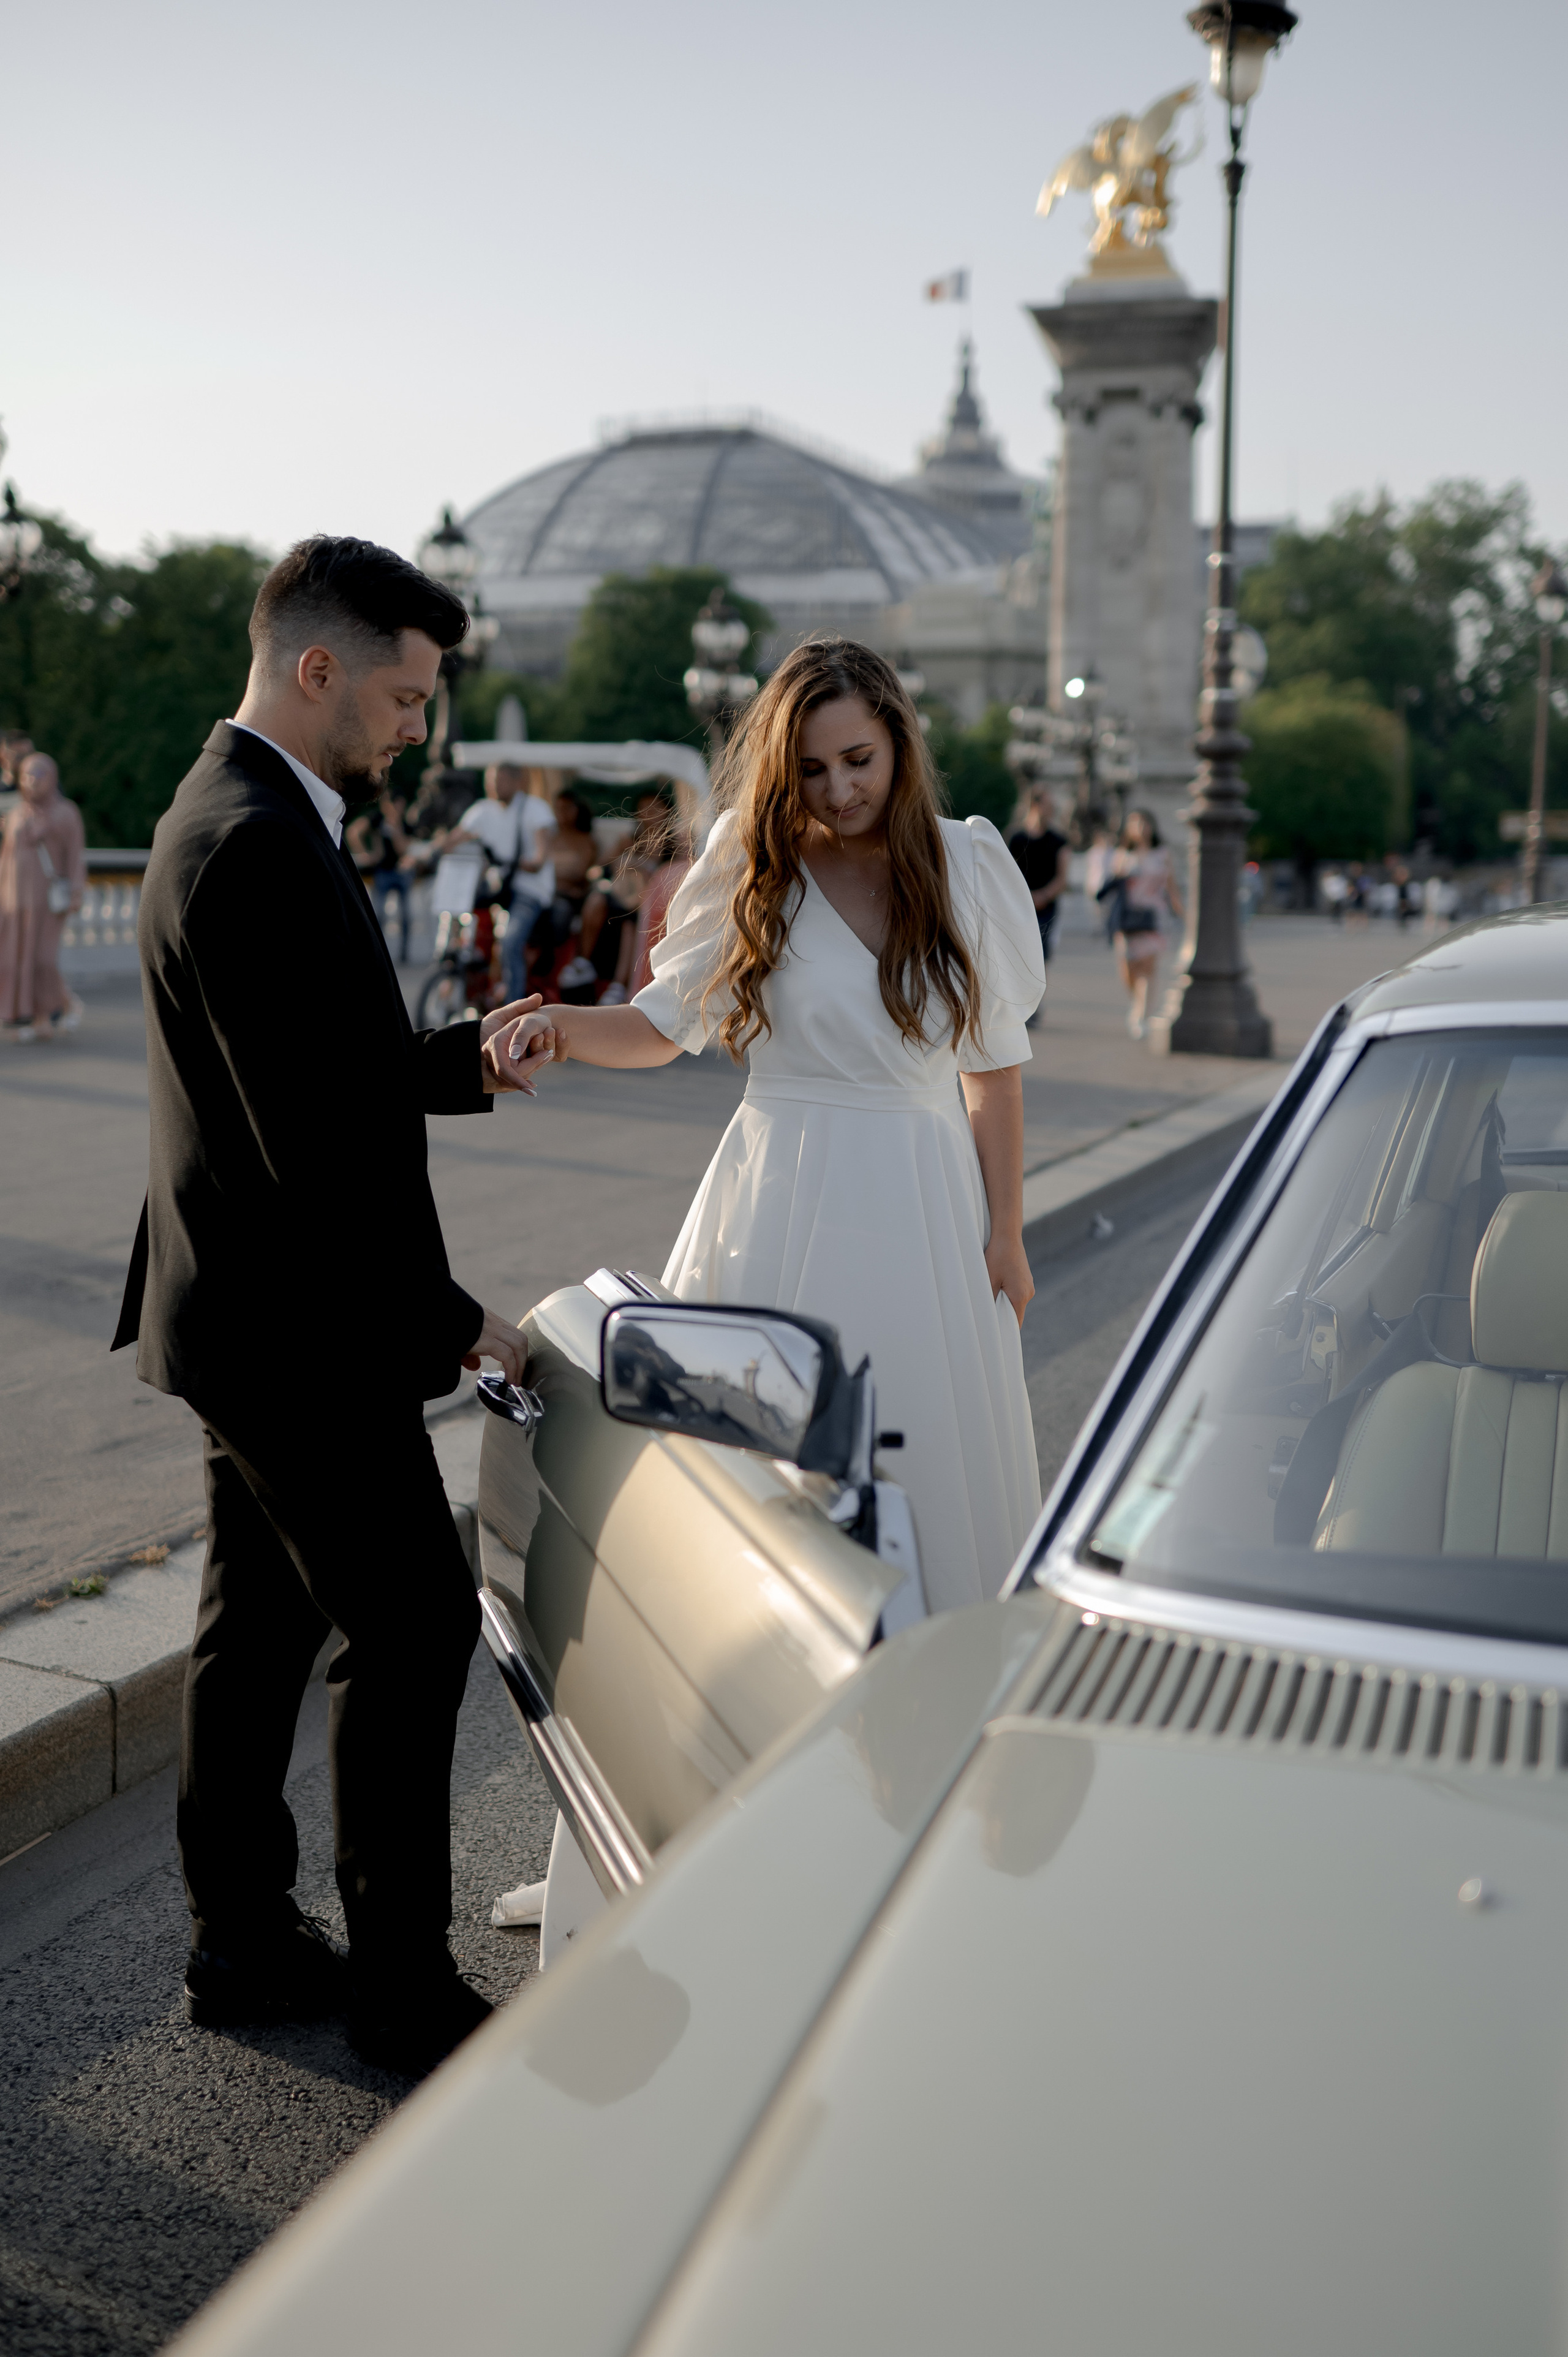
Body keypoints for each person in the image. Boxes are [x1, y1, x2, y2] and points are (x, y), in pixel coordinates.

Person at [110, 536, 552, 2079]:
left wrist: (455, 1058)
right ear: (318, 666)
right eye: (405, 694)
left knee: (260, 1620)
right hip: (299, 1326)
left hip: (243, 1310)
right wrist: (456, 1318)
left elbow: (316, 1068)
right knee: (412, 1622)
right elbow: (308, 1151)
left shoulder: (242, 812)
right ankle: (401, 1983)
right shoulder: (248, 841)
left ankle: (238, 1936)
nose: (415, 726)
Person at [491, 636, 1046, 1610]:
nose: (837, 790)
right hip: (778, 1195)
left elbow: (992, 1074)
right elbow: (663, 1024)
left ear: (900, 744)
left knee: (925, 1462)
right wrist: (562, 1029)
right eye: (813, 769)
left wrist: (1005, 1234)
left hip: (927, 1205)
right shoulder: (752, 857)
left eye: (859, 761)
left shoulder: (966, 863)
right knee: (761, 1476)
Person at [0, 753, 87, 1041]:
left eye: (39, 774)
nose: (32, 781)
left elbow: (76, 856)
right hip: (16, 902)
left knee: (43, 960)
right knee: (18, 960)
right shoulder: (15, 814)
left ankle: (61, 1006)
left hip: (49, 903)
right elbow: (6, 860)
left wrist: (76, 891)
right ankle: (35, 1018)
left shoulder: (66, 813)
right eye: (27, 774)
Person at [1100, 808, 1181, 1042]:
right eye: (1137, 824)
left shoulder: (1162, 854)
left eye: (1145, 824)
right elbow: (1111, 887)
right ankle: (1137, 1003)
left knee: (1148, 968)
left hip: (1153, 916)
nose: (1142, 829)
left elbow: (1172, 887)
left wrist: (1182, 912)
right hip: (1127, 919)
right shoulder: (1123, 856)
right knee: (1127, 968)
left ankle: (1141, 1015)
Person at [1007, 786, 1070, 1026]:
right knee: (1017, 955)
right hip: (1017, 907)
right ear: (1035, 805)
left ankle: (1033, 1006)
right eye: (1048, 805)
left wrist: (1043, 895)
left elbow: (1063, 878)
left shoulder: (1058, 841)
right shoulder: (1016, 837)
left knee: (1039, 957)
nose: (1052, 810)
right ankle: (1019, 1003)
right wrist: (1022, 896)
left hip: (1046, 908)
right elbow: (1005, 871)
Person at [347, 785, 413, 960]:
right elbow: (354, 831)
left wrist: (396, 827)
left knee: (406, 915)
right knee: (379, 914)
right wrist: (366, 853)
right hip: (382, 872)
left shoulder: (405, 823)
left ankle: (404, 953)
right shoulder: (377, 819)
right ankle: (378, 951)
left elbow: (403, 850)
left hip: (401, 872)